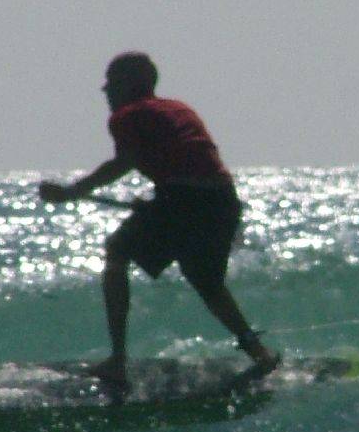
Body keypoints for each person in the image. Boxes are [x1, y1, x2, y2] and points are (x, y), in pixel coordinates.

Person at [38, 52, 279, 387]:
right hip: (222, 201)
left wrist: (74, 190)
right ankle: (259, 353)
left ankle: (117, 361)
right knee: (206, 282)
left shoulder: (128, 115)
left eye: (112, 85)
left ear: (131, 85)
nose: (106, 92)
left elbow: (125, 162)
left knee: (117, 252)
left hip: (183, 200)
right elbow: (191, 166)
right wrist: (158, 204)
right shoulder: (180, 109)